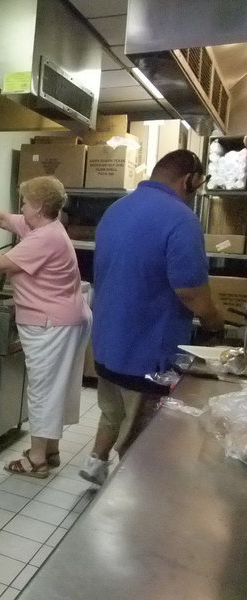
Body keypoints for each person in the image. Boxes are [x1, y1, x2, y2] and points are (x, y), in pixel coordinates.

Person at [80, 149, 224, 485]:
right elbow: (191, 292)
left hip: (107, 345)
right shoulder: (181, 219)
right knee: (140, 433)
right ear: (190, 180)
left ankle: (95, 462)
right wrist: (215, 323)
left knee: (113, 410)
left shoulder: (116, 210)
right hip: (146, 356)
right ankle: (125, 495)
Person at [0, 175, 91, 478]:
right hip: (64, 318)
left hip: (52, 324)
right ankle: (50, 450)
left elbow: (1, 264)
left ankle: (37, 459)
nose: (22, 207)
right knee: (54, 387)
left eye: (25, 202)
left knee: (43, 390)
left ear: (39, 207)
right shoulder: (42, 226)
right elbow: (2, 219)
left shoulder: (45, 238)